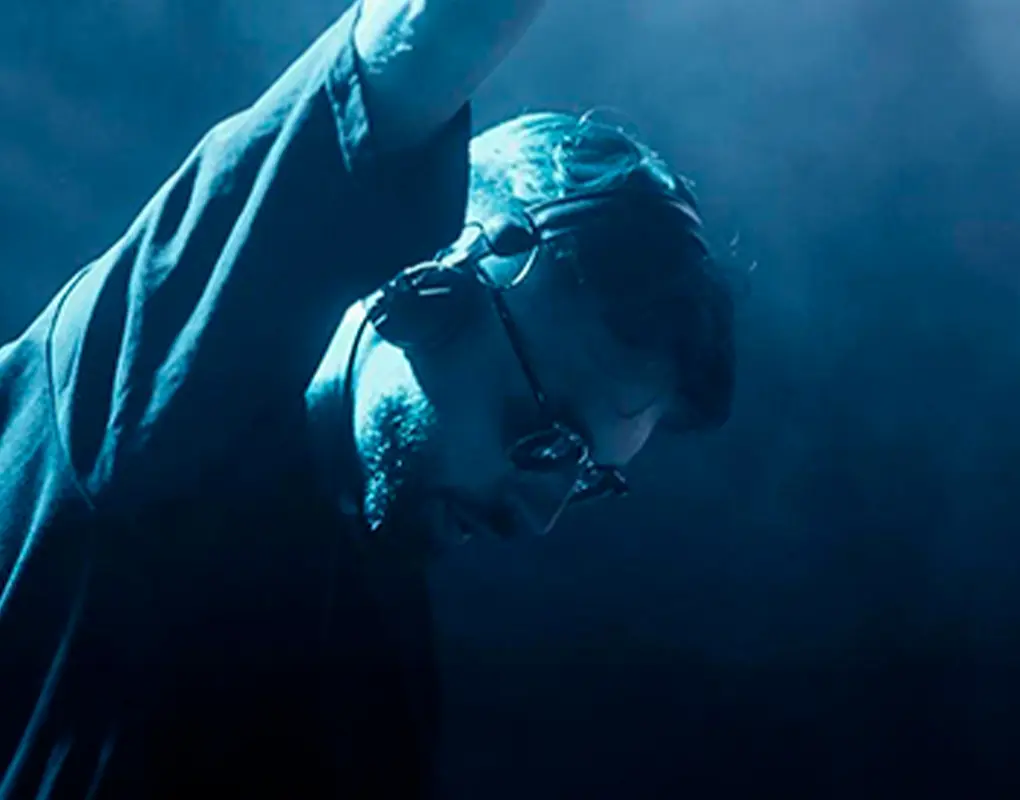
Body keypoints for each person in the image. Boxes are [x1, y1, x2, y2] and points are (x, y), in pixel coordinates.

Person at [0, 0, 735, 797]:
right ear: (439, 286)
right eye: (546, 433)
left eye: (587, 474)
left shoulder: (393, 679)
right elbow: (423, 36)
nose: (538, 516)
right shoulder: (161, 391)